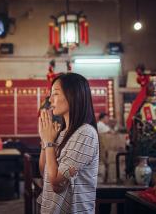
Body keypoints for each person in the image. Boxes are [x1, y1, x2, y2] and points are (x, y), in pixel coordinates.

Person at [37, 73, 99, 213]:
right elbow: (44, 172)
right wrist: (45, 141)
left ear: (73, 96)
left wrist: (49, 143)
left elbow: (57, 184)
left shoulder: (85, 133)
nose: (50, 99)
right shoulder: (63, 132)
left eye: (56, 94)